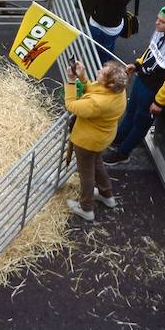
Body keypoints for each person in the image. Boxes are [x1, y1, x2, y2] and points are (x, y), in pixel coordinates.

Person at [106, 5, 165, 164]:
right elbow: (150, 51)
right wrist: (138, 64)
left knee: (141, 122)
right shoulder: (160, 33)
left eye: (162, 22)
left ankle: (123, 153)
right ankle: (118, 140)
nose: (157, 23)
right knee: (130, 111)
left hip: (153, 90)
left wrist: (159, 102)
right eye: (158, 19)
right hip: (141, 80)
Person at [63, 58, 128, 222]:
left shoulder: (98, 103)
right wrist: (83, 78)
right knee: (97, 164)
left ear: (108, 83)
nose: (98, 71)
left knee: (86, 174)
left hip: (87, 141)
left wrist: (71, 81)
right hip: (102, 138)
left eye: (102, 73)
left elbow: (71, 105)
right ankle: (107, 195)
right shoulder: (118, 91)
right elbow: (95, 90)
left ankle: (86, 208)